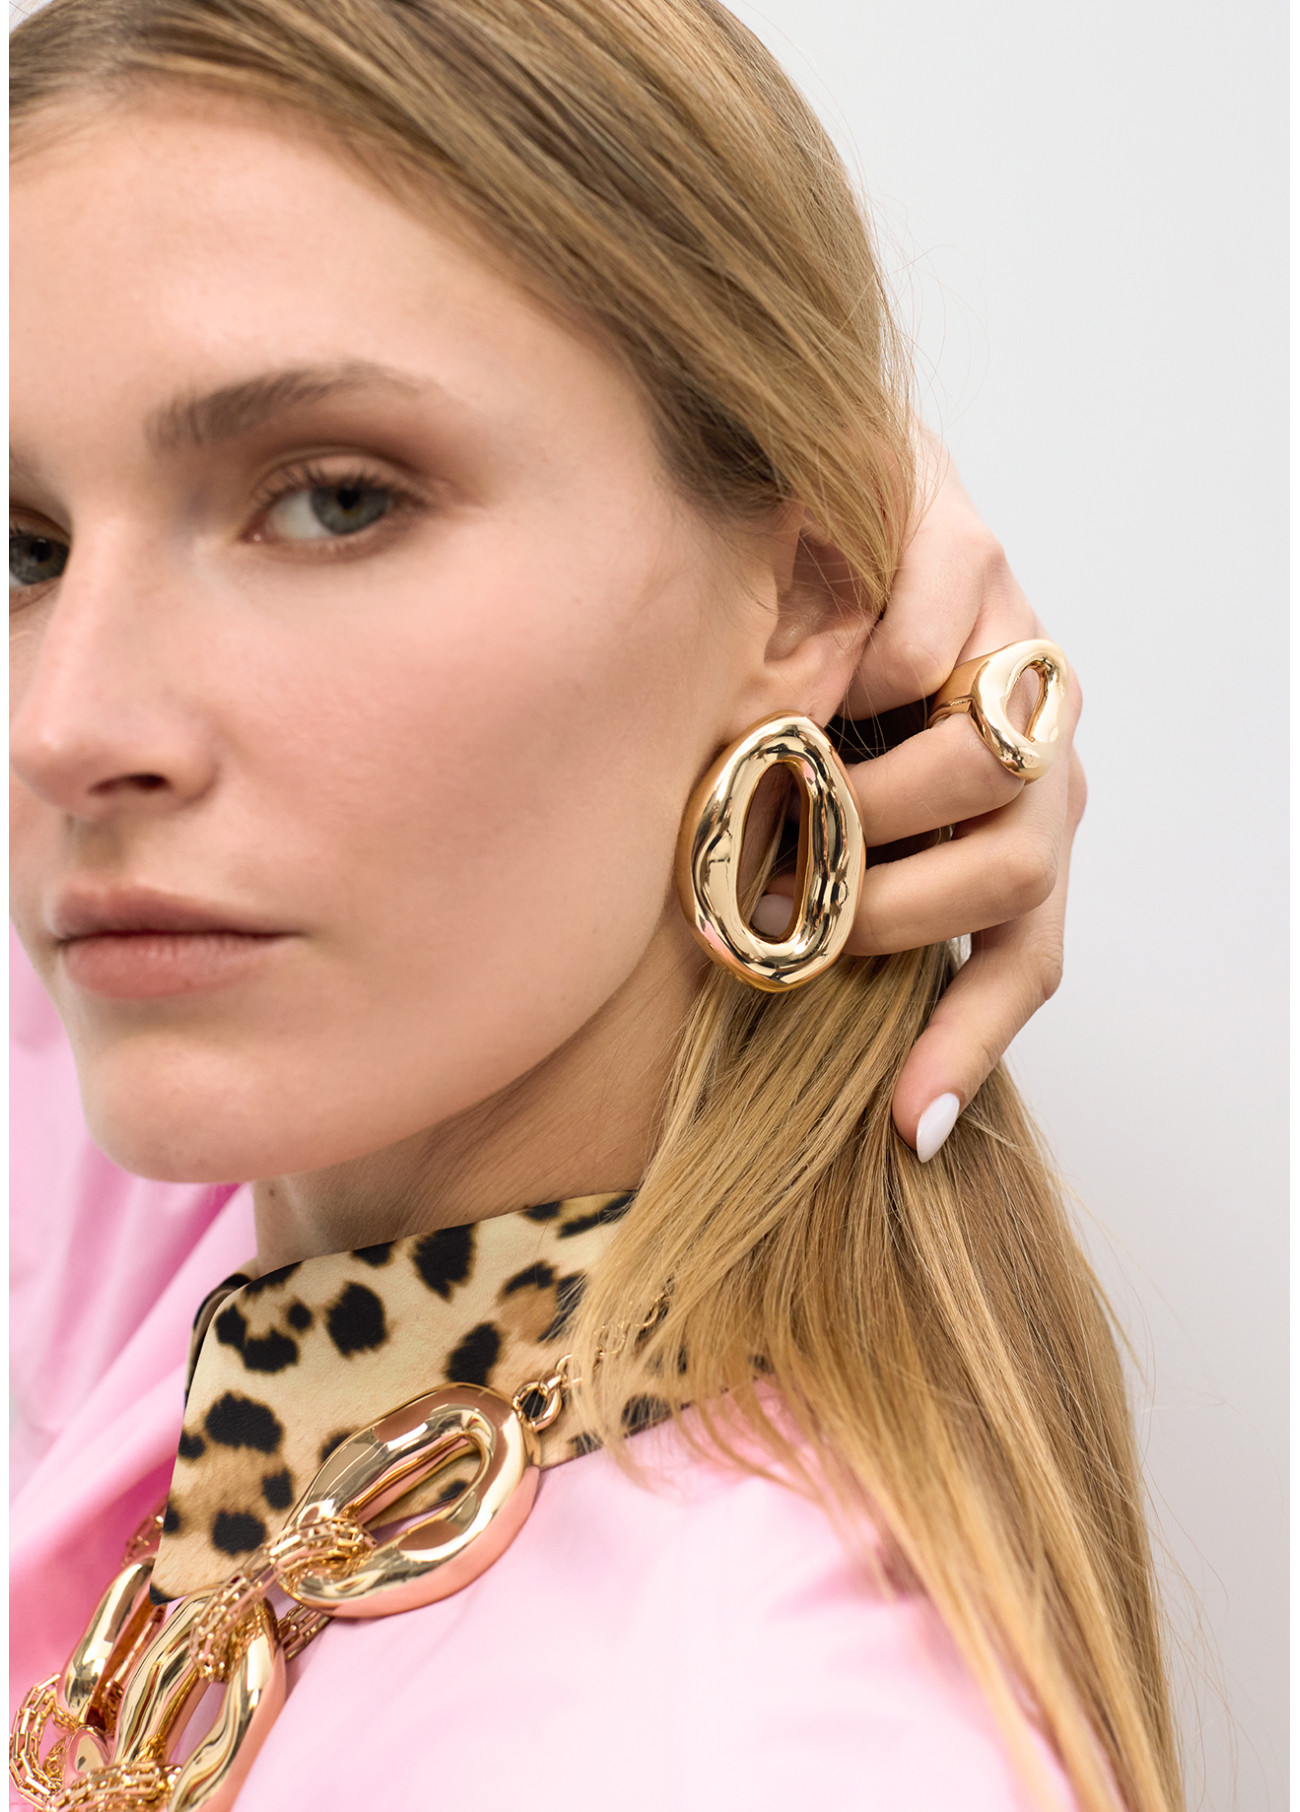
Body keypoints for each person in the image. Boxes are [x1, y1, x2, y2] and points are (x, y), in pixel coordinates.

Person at [7, 2, 1174, 1810]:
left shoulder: (751, 1752)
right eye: (24, 545)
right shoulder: (226, 1220)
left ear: (815, 591)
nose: (69, 728)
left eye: (334, 501)